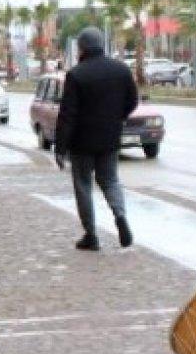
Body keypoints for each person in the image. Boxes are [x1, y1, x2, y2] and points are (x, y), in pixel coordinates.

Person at [55, 27, 138, 251]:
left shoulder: (76, 75)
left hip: (81, 143)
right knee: (110, 180)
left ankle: (91, 235)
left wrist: (60, 148)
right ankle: (120, 215)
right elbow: (133, 101)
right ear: (102, 44)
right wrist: (116, 118)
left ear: (81, 48)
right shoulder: (121, 70)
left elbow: (67, 114)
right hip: (109, 138)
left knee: (83, 185)